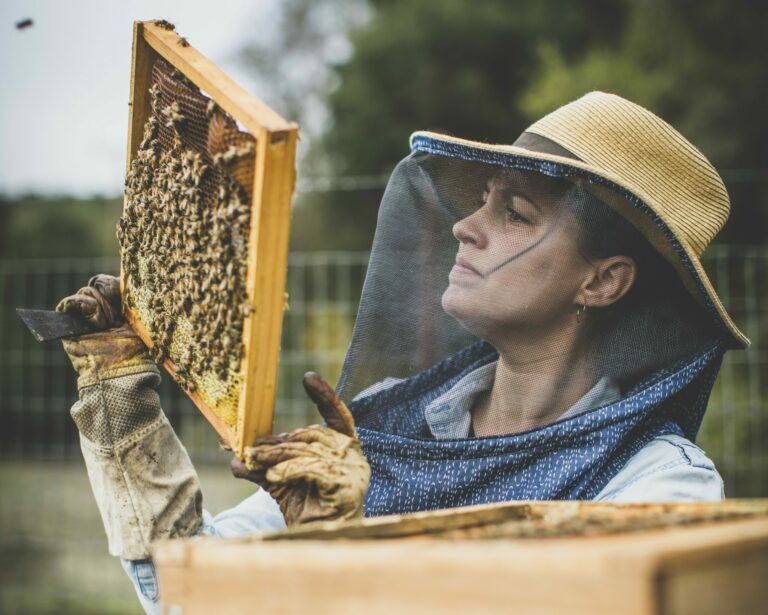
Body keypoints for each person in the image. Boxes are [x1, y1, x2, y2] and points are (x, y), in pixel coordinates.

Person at [58, 92, 746, 614]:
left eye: (515, 213)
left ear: (603, 280)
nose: (465, 226)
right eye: (483, 201)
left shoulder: (659, 488)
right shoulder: (384, 429)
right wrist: (118, 397)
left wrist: (346, 550)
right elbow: (186, 589)